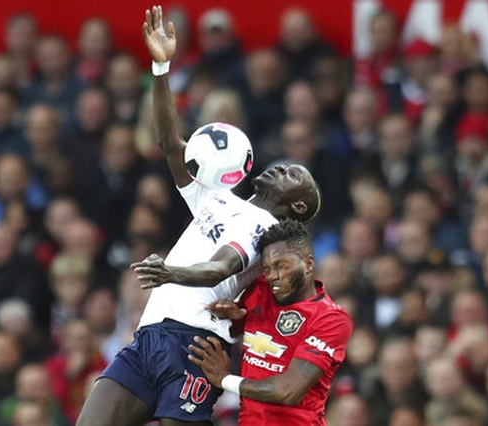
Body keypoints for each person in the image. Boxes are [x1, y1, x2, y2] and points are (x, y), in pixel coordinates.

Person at [77, 6, 320, 426]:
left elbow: (219, 268)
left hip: (196, 344)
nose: (284, 166)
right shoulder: (220, 199)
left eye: (295, 174)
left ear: (297, 205)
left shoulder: (264, 231)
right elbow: (171, 144)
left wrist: (171, 273)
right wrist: (160, 66)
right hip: (148, 337)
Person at [187, 219, 353, 425]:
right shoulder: (259, 291)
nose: (273, 276)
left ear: (308, 264)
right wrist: (228, 317)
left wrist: (224, 380)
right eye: (267, 269)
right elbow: (235, 327)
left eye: (281, 266)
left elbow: (288, 391)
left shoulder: (331, 319)